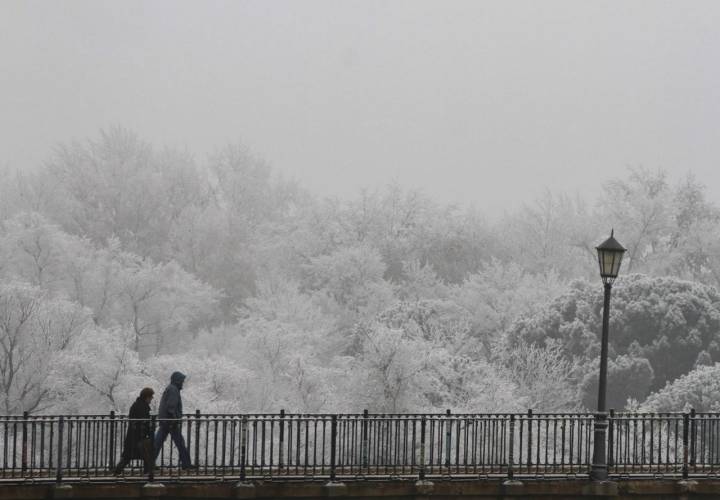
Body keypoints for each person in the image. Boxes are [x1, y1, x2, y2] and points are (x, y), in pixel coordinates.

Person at [153, 371, 193, 469]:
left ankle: (149, 463)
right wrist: (174, 419)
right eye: (182, 381)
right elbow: (171, 406)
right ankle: (186, 464)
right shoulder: (173, 390)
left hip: (165, 420)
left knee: (157, 443)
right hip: (170, 421)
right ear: (177, 380)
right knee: (180, 443)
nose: (183, 383)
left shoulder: (171, 388)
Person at [114, 387, 154, 475]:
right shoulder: (142, 406)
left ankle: (118, 471)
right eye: (151, 397)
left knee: (129, 455)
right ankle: (148, 472)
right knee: (145, 453)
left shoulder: (138, 404)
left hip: (133, 436)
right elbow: (143, 422)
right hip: (138, 436)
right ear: (147, 397)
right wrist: (149, 430)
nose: (152, 399)